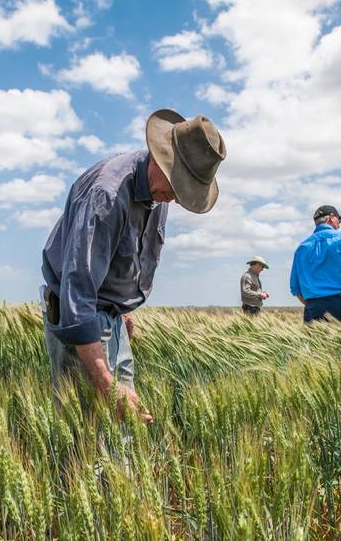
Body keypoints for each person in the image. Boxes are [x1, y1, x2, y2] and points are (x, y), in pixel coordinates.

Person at [42, 108, 225, 425]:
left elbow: (124, 260)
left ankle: (119, 476)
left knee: (125, 426)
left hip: (114, 317)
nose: (176, 199)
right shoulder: (107, 194)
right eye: (177, 186)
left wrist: (123, 311)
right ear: (160, 157)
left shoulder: (159, 193)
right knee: (85, 433)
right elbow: (78, 293)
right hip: (81, 321)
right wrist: (104, 381)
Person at [290, 205, 341, 326]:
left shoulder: (301, 248)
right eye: (339, 220)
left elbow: (295, 288)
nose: (339, 225)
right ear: (331, 217)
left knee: (314, 345)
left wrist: (315, 304)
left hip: (312, 307)